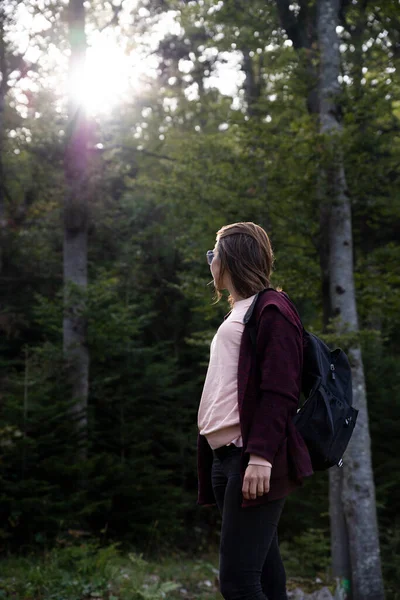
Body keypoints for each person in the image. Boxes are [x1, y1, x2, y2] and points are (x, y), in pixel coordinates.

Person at [197, 222, 314, 600]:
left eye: (213, 254)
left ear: (230, 257)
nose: (210, 262)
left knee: (238, 582)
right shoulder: (241, 310)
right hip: (225, 458)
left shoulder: (272, 308)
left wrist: (261, 456)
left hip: (252, 460)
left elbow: (280, 389)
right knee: (264, 576)